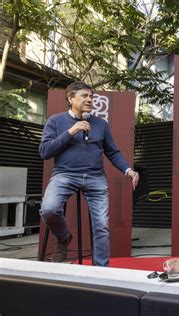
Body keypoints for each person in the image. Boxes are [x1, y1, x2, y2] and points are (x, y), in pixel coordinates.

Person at [39, 81, 139, 266]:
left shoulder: (101, 124)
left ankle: (100, 270)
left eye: (91, 96)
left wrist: (128, 170)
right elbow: (45, 151)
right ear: (71, 99)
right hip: (64, 175)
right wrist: (71, 131)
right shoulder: (56, 121)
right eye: (84, 96)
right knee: (49, 209)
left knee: (101, 226)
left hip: (95, 178)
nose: (89, 99)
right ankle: (63, 238)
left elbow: (113, 152)